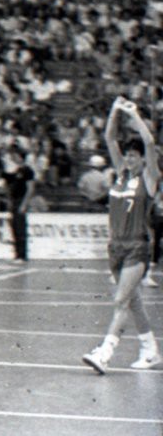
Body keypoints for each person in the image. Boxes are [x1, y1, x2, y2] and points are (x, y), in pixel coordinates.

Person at [82, 97, 161, 373]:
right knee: (133, 302)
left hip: (137, 247)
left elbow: (150, 143)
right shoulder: (119, 175)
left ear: (142, 160)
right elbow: (108, 136)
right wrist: (115, 109)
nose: (128, 158)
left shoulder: (149, 180)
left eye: (133, 155)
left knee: (121, 301)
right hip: (114, 247)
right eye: (127, 154)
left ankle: (105, 353)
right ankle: (150, 350)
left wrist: (134, 113)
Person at [0, 146, 36, 263]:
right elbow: (9, 187)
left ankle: (22, 255)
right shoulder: (14, 171)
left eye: (15, 156)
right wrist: (9, 200)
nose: (13, 157)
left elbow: (30, 188)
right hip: (14, 200)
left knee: (20, 228)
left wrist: (24, 204)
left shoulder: (28, 171)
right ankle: (16, 254)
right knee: (14, 227)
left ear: (20, 157)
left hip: (21, 200)